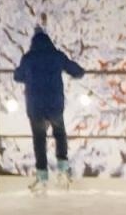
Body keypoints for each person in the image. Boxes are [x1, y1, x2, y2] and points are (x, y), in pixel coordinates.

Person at [13, 27, 85, 193]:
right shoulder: (56, 55)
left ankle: (42, 176)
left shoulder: (29, 58)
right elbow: (77, 71)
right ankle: (62, 169)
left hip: (35, 106)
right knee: (60, 134)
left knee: (39, 140)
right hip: (54, 105)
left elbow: (18, 76)